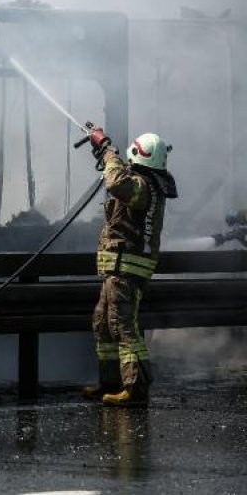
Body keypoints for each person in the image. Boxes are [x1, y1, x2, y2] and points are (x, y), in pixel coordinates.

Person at [83, 128, 177, 407]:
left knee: (124, 327)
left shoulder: (141, 186)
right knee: (103, 325)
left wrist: (107, 150)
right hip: (119, 268)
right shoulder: (146, 182)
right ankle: (110, 383)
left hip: (126, 269)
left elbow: (115, 183)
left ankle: (135, 390)